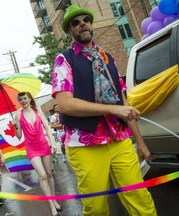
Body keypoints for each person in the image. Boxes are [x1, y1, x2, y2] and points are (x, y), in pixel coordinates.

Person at [51, 4, 157, 216]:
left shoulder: (107, 56)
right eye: (76, 22)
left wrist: (141, 144)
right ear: (69, 30)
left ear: (91, 24)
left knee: (140, 198)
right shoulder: (64, 60)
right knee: (96, 207)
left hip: (119, 139)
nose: (82, 24)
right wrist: (112, 109)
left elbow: (124, 105)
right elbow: (65, 104)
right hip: (85, 144)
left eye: (86, 20)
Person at [11, 92, 62, 216]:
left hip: (43, 144)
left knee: (49, 173)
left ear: (29, 99)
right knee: (43, 175)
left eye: (24, 98)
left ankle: (54, 199)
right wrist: (15, 126)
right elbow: (19, 137)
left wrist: (53, 143)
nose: (23, 101)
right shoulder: (18, 115)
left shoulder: (37, 110)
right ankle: (51, 205)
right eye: (20, 99)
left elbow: (47, 127)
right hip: (31, 148)